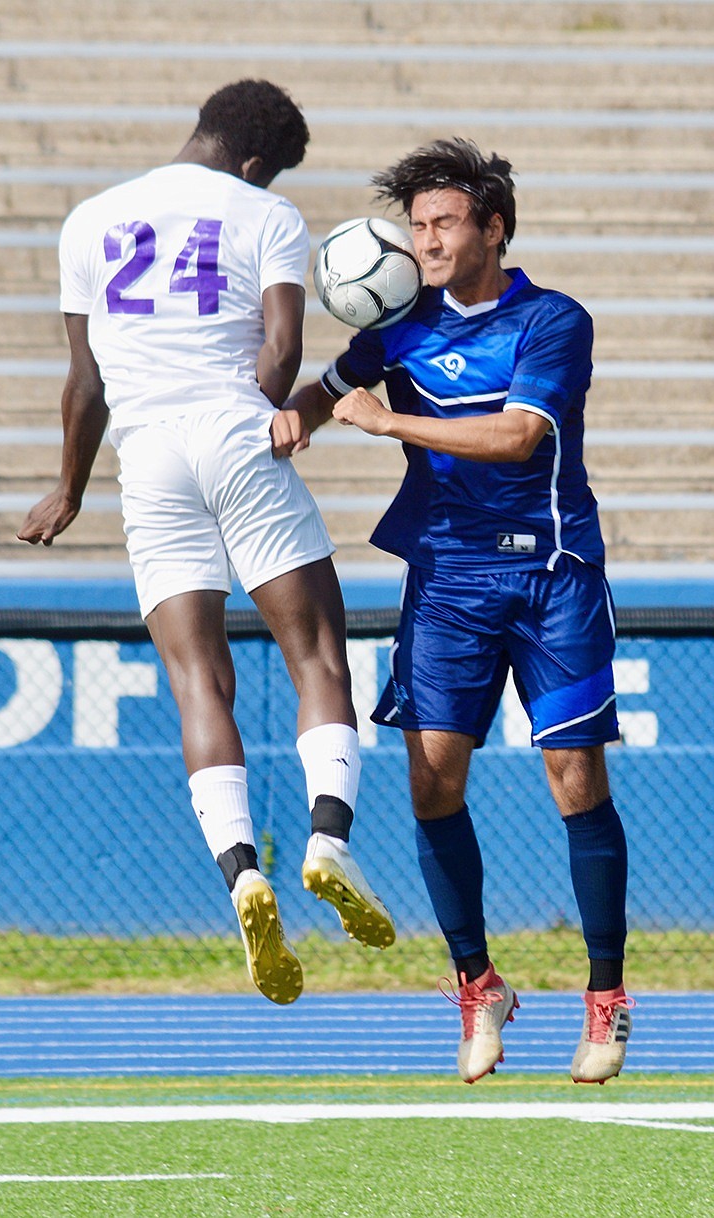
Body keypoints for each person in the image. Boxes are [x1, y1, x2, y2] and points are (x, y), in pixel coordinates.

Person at [17, 79, 395, 1007]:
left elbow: (83, 384)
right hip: (233, 435)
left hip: (145, 459)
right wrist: (273, 414)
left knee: (199, 679)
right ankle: (325, 843)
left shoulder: (88, 220)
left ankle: (240, 875)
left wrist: (67, 487)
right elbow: (275, 356)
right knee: (316, 660)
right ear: (260, 162)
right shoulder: (267, 212)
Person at [287, 137, 633, 1082]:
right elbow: (323, 391)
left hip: (552, 574)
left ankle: (605, 998)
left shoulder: (553, 321)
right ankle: (478, 986)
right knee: (433, 785)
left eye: (442, 223)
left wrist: (386, 420)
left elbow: (520, 436)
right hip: (447, 583)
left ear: (493, 228)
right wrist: (294, 417)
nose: (425, 240)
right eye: (416, 225)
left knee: (573, 781)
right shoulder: (396, 321)